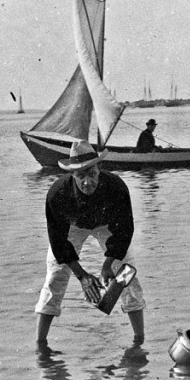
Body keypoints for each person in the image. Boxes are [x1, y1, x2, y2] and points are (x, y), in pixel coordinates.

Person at [35, 140, 146, 349]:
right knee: (55, 276)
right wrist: (82, 276)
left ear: (99, 169)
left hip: (107, 225)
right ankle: (40, 345)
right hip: (73, 226)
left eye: (92, 174)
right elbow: (58, 242)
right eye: (80, 176)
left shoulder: (116, 187)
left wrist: (108, 264)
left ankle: (139, 343)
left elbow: (125, 231)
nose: (87, 182)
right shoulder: (57, 194)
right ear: (72, 175)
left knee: (127, 274)